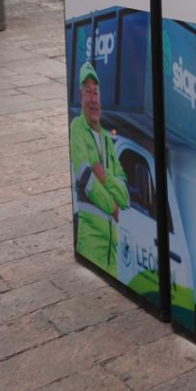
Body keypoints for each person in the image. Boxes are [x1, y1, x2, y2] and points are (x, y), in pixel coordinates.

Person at [69, 61, 130, 277]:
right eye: (88, 92)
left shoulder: (107, 138)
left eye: (96, 93)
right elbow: (85, 177)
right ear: (80, 96)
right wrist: (112, 207)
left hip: (112, 257)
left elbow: (125, 196)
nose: (93, 99)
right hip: (91, 247)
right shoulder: (77, 127)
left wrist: (104, 177)